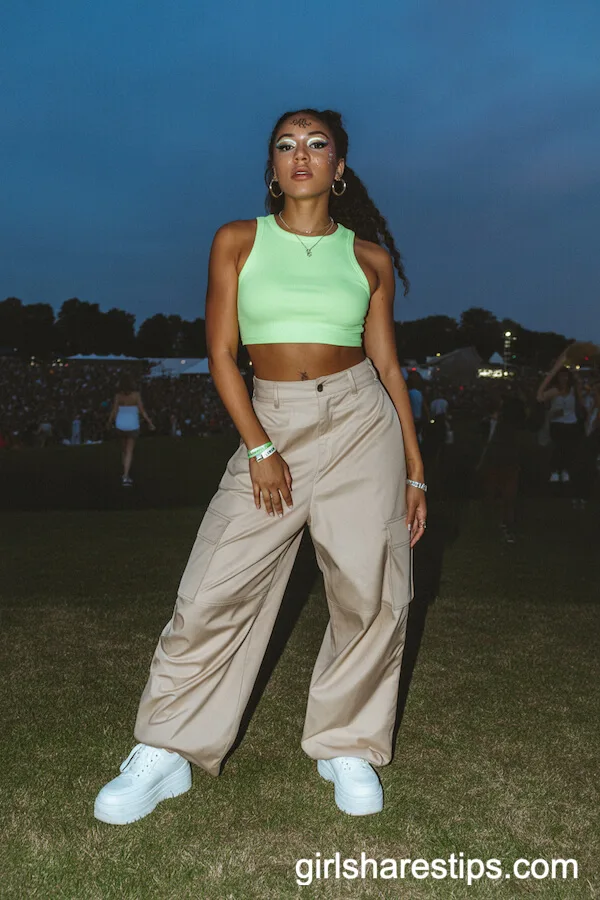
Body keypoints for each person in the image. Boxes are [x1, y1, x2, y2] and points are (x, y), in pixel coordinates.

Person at [94, 108, 427, 825]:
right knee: (213, 584)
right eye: (286, 145)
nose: (300, 155)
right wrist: (261, 447)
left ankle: (347, 745)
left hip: (362, 421)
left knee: (371, 590)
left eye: (316, 145)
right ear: (271, 167)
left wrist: (415, 467)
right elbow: (221, 354)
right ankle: (166, 751)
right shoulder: (238, 241)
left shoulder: (367, 259)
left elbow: (390, 365)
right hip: (271, 417)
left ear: (338, 168)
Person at [537, 350, 583, 485]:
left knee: (567, 447)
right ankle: (555, 470)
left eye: (566, 376)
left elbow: (580, 384)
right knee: (558, 446)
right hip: (557, 423)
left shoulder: (573, 391)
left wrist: (573, 369)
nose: (564, 379)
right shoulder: (554, 391)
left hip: (571, 422)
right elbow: (542, 399)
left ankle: (564, 470)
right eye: (561, 376)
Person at [107, 373, 155, 485]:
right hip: (132, 423)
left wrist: (109, 423)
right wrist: (150, 423)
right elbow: (142, 411)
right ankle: (125, 475)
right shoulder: (136, 395)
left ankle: (125, 471)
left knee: (124, 450)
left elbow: (114, 411)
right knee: (129, 451)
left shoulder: (118, 396)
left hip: (121, 423)